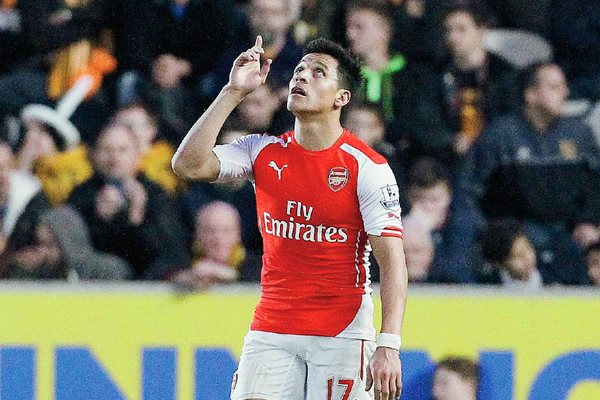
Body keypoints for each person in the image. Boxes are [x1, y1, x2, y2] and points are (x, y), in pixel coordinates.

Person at [172, 36, 408, 399]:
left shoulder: (368, 168)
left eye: (318, 73)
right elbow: (187, 164)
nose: (302, 77)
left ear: (340, 98)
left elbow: (392, 262)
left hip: (342, 332)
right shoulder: (261, 151)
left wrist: (389, 343)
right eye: (299, 70)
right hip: (272, 328)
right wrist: (233, 92)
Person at [68, 121, 190, 280]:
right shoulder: (81, 195)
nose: (114, 158)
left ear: (137, 155)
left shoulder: (157, 195)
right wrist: (99, 219)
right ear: (93, 154)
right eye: (107, 150)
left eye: (122, 150)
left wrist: (136, 216)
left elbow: (169, 252)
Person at [170, 201, 261, 291]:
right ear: (197, 235)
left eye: (226, 231)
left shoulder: (257, 266)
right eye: (210, 231)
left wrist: (233, 277)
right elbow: (160, 271)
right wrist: (187, 277)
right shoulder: (183, 260)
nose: (218, 238)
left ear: (238, 235)